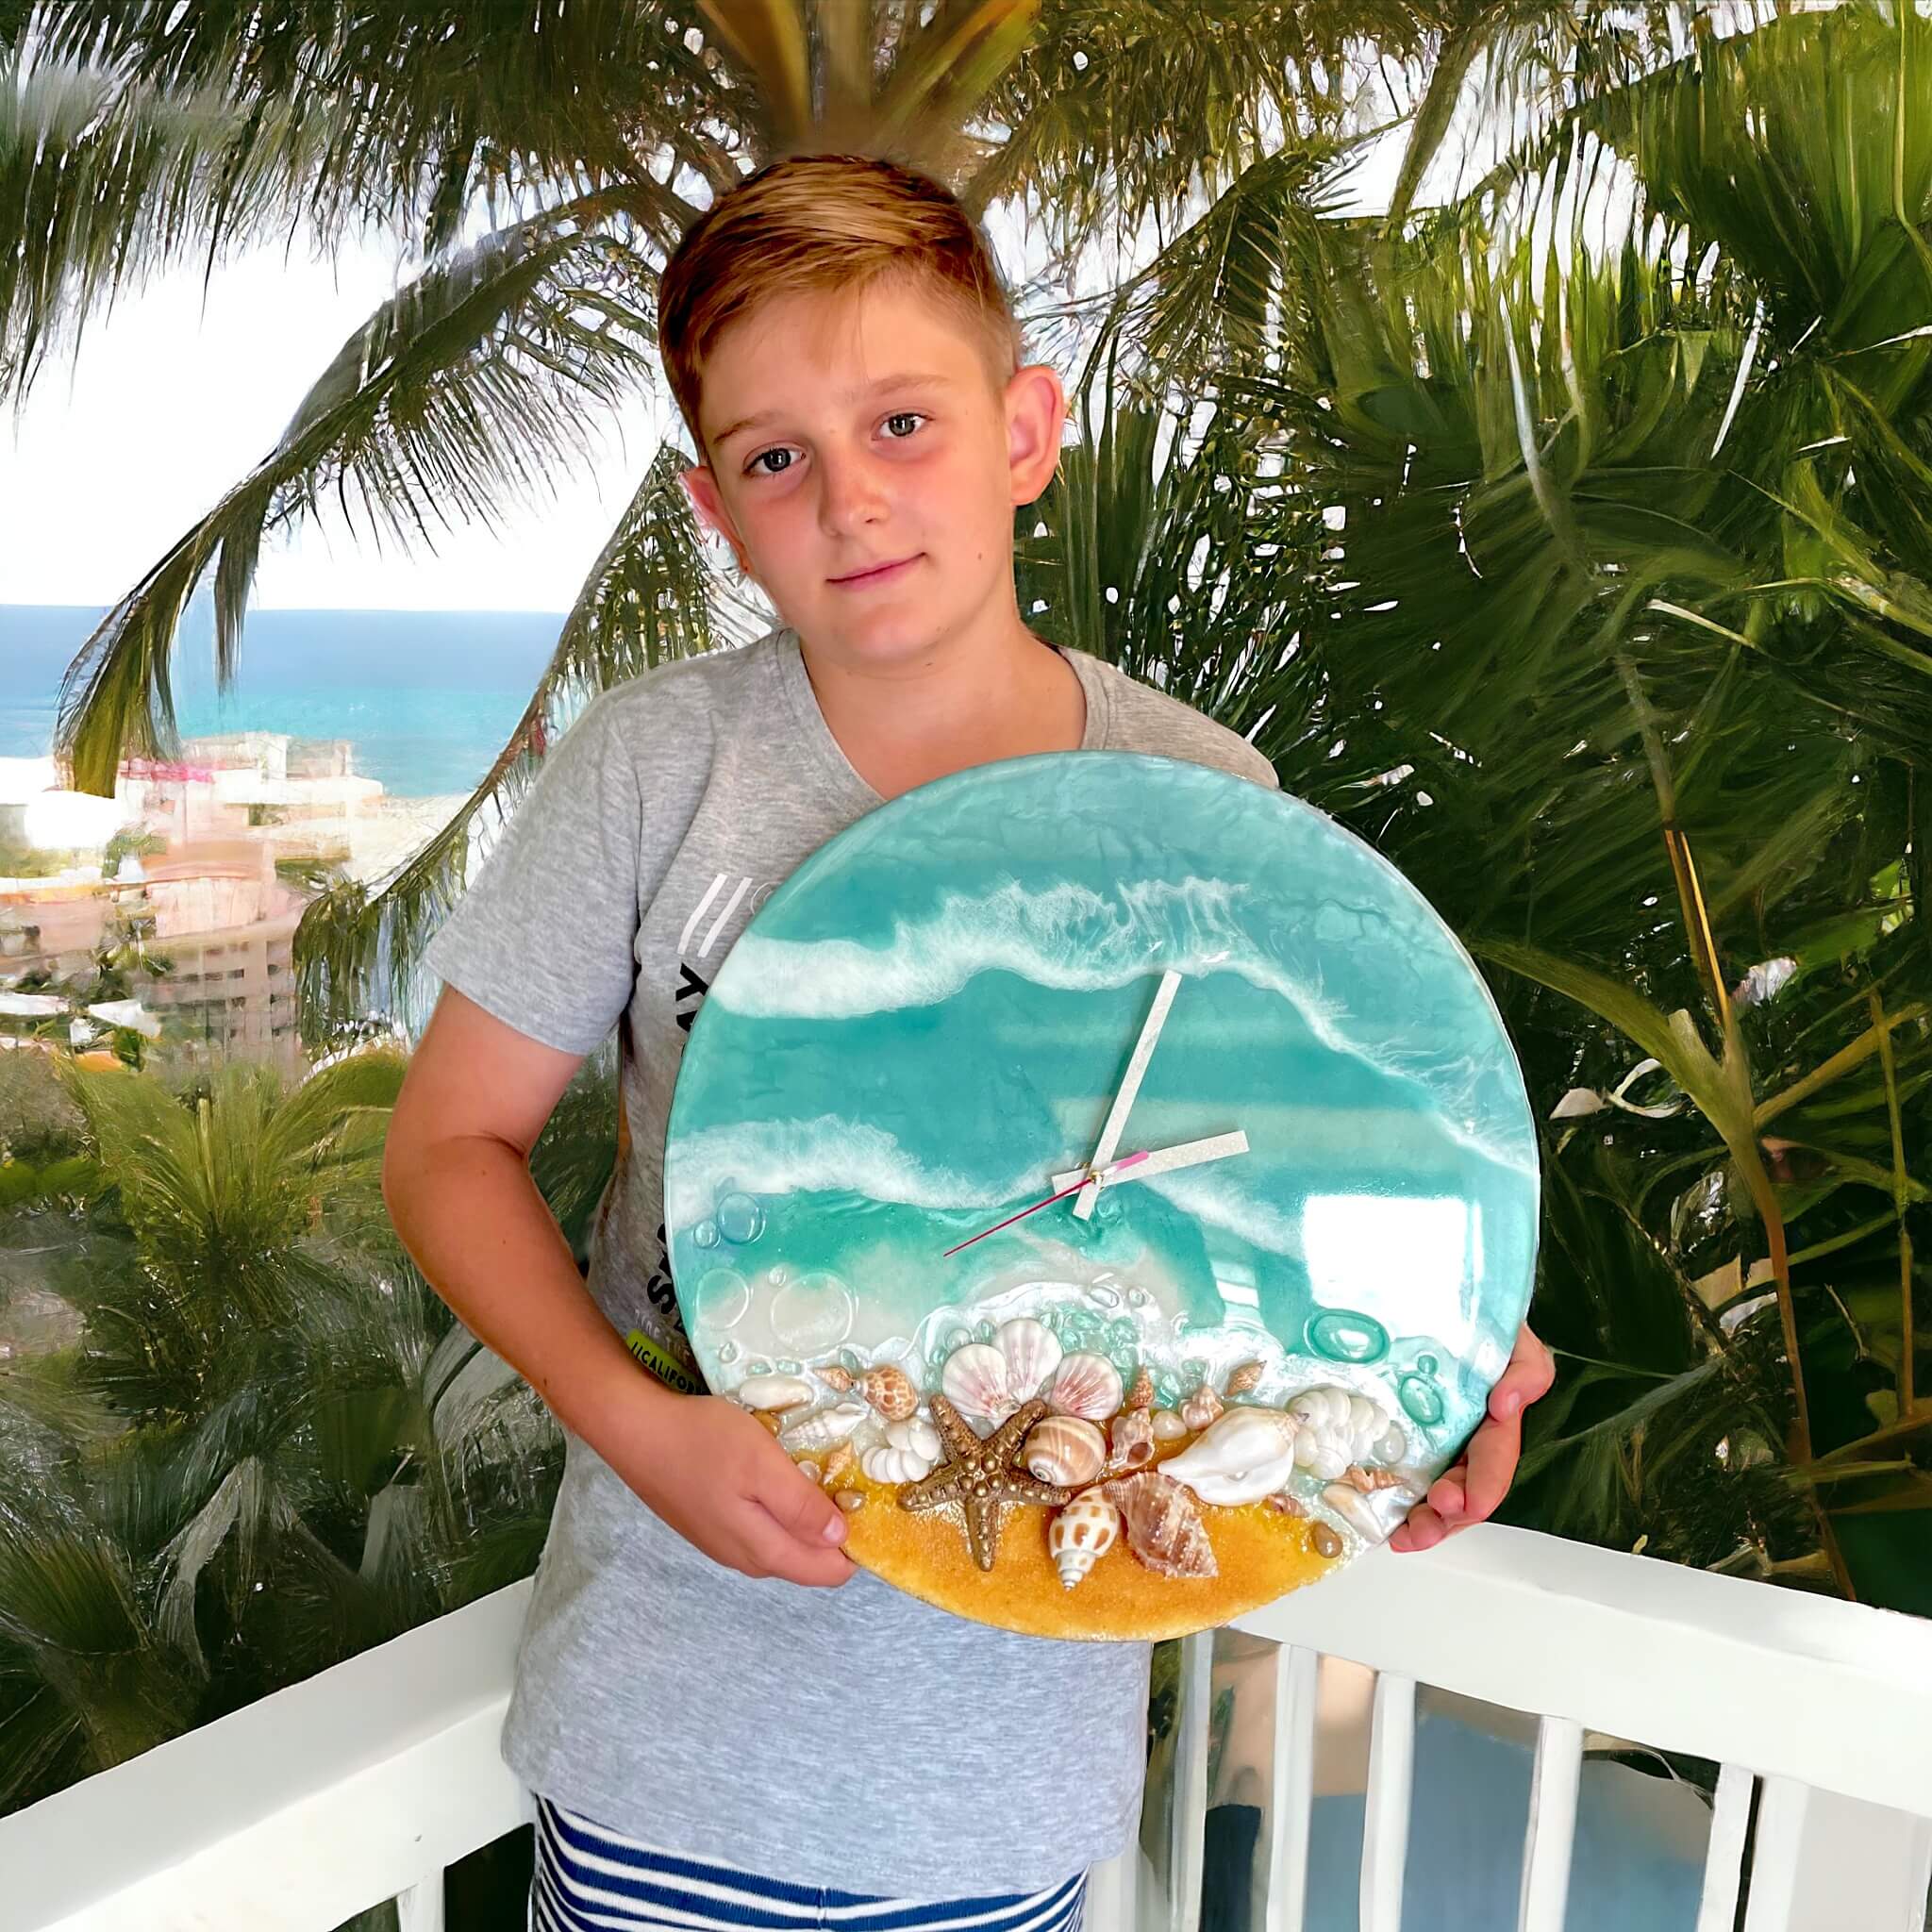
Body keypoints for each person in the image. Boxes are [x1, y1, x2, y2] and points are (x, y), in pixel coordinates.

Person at [381, 151, 1556, 1932]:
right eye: (778, 458)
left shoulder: (1196, 799)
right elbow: (446, 1147)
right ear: (720, 511)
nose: (850, 498)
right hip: (676, 1748)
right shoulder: (657, 767)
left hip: (1017, 1784)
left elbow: (1312, 1177)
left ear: (1024, 433)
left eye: (903, 424)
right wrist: (638, 1425)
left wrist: (1455, 1342)